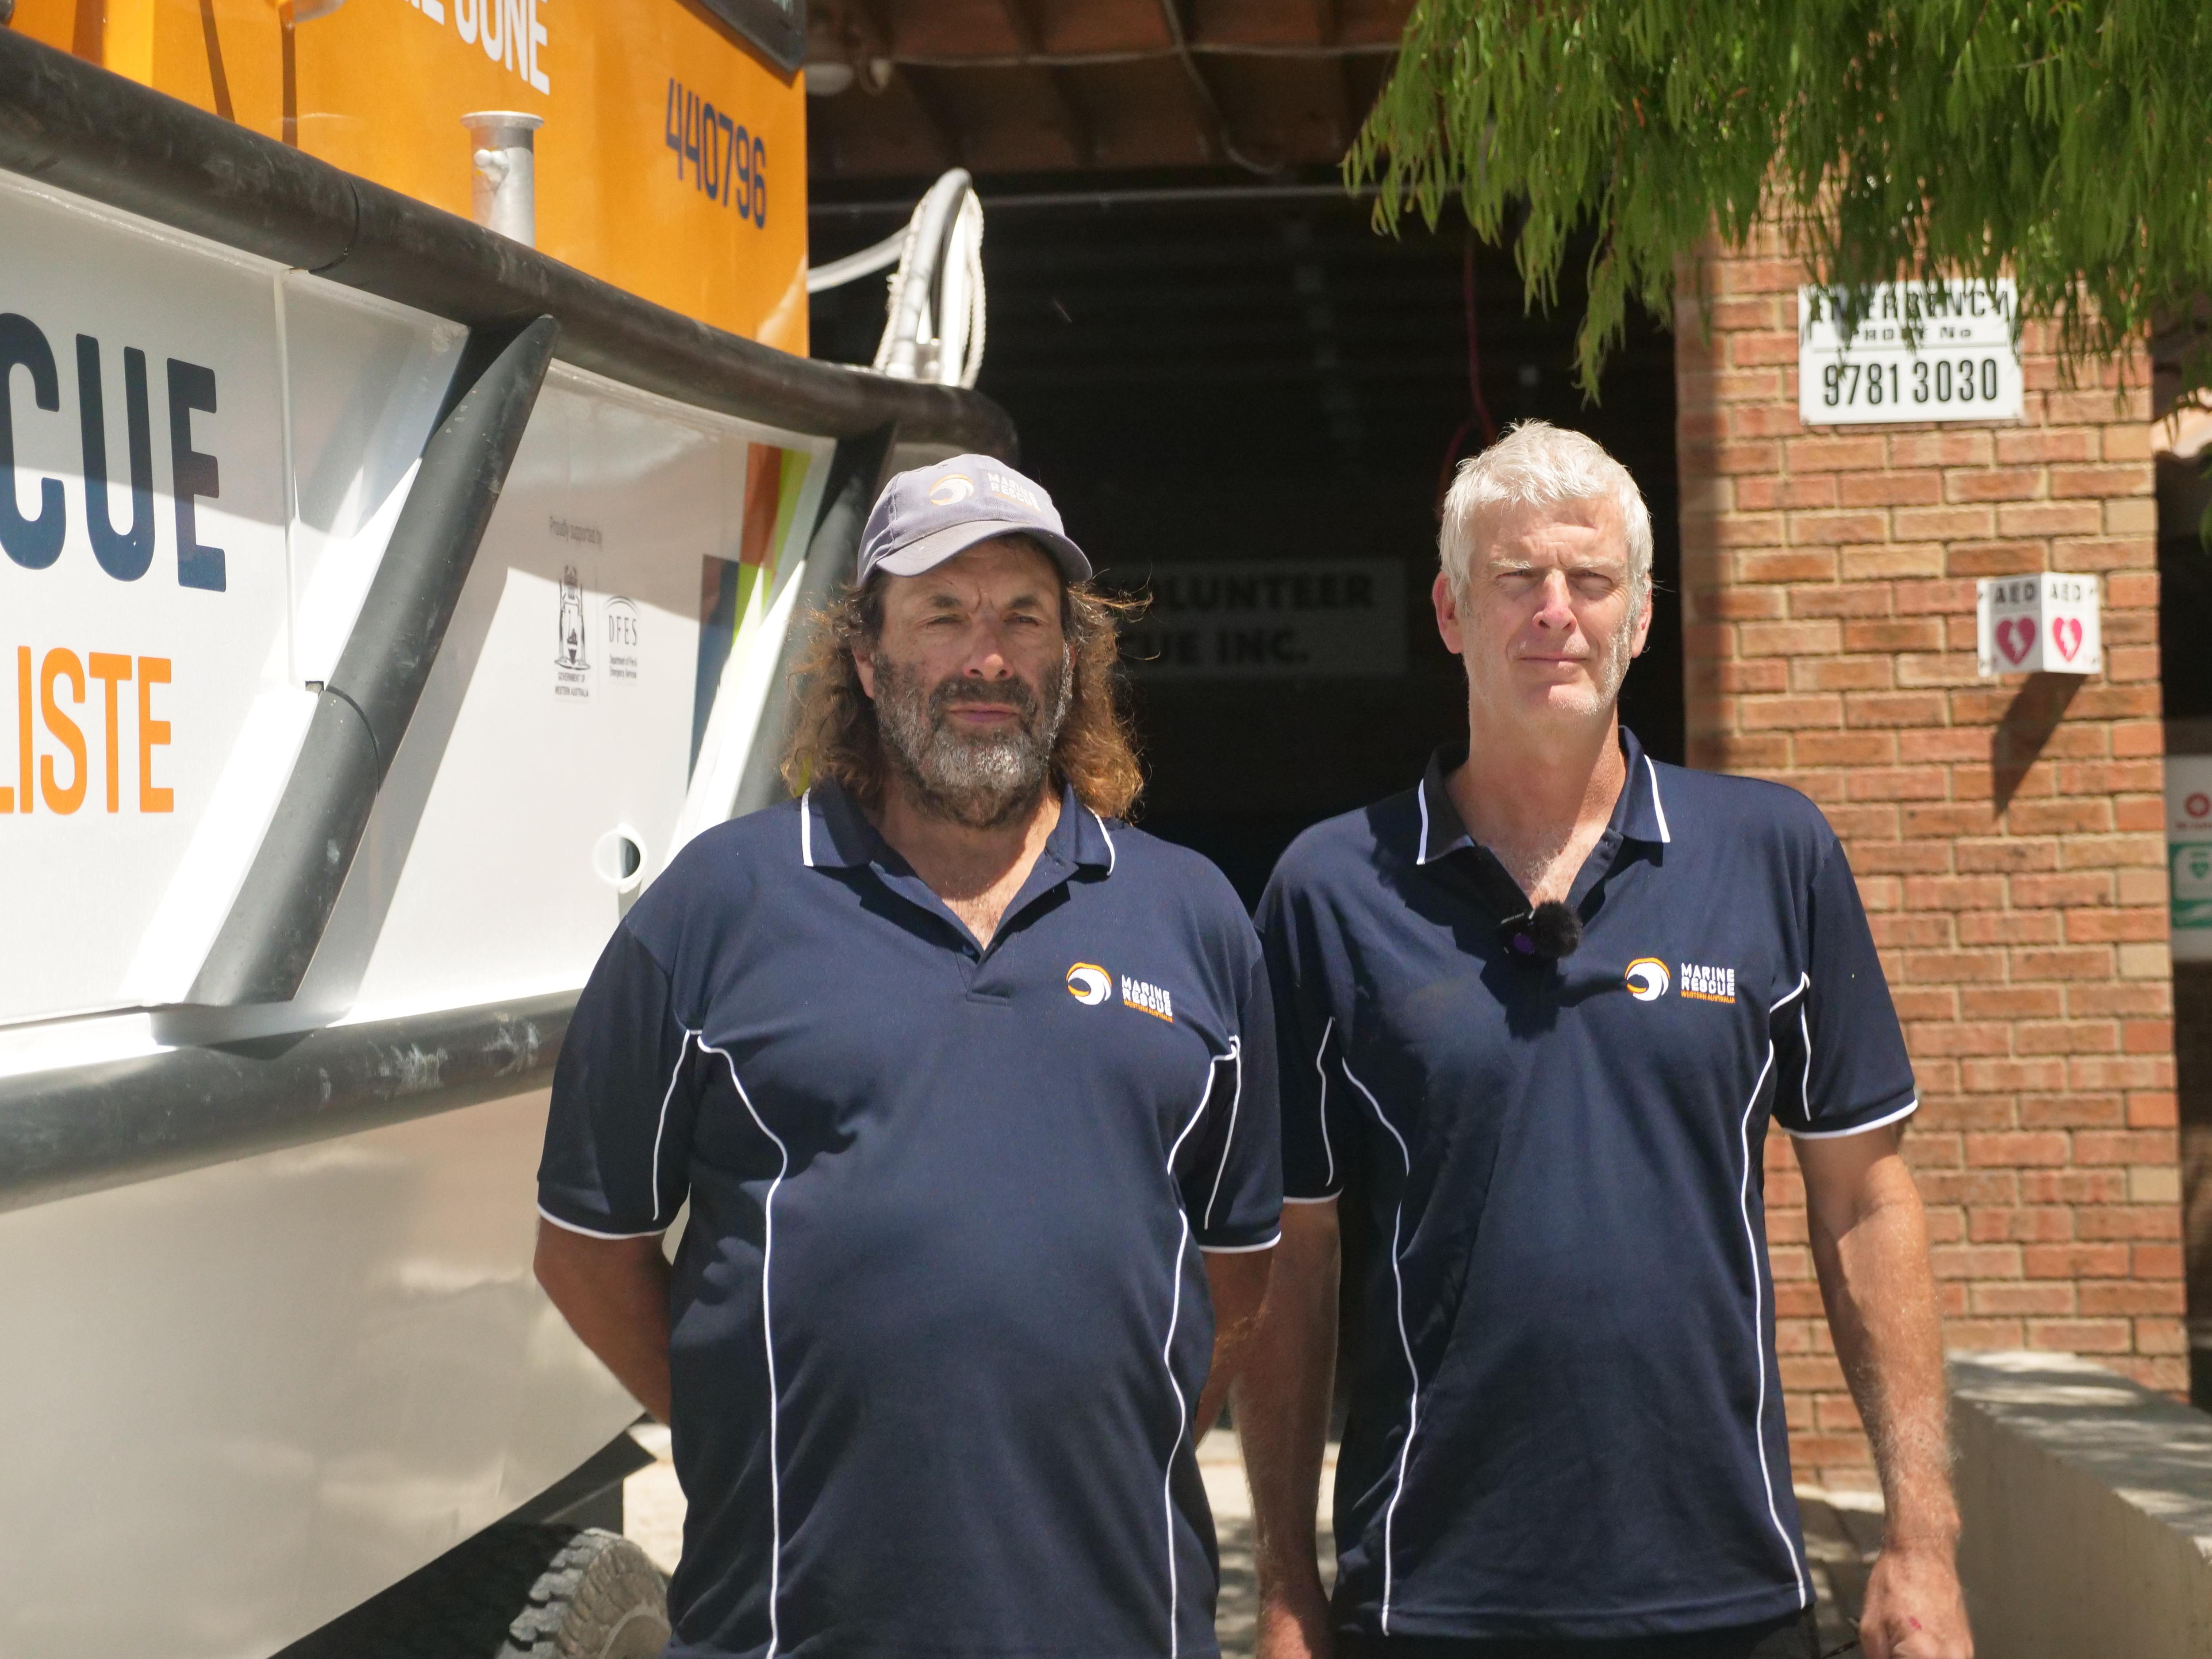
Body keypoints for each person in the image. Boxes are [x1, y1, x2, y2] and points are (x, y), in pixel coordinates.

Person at [1237, 422, 1971, 1659]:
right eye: (1517, 581)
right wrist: (1283, 1586)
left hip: (1728, 1592)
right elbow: (1292, 1255)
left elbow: (1864, 1202)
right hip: (1428, 1601)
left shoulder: (1772, 855)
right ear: (1452, 611)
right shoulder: (1330, 890)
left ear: (1639, 617)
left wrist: (1924, 1542)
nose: (1556, 614)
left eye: (1592, 583)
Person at [533, 454, 1281, 1659]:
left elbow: (1238, 1275)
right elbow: (584, 1248)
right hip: (795, 1627)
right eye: (943, 615)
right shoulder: (719, 907)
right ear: (870, 661)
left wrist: (1103, 1434)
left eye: (1023, 618)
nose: (986, 657)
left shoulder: (1193, 918)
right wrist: (757, 1432)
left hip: (1124, 1620)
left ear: (1069, 660)